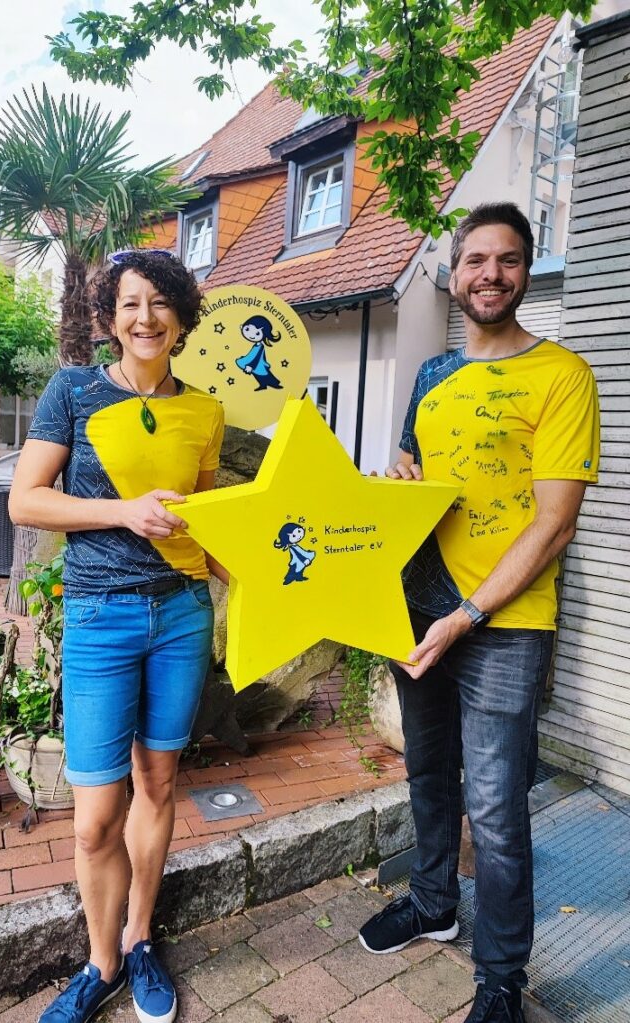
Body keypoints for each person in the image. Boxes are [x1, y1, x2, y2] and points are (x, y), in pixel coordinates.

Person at [357, 204, 599, 1023]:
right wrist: (393, 490)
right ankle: (433, 903)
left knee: (495, 810)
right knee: (427, 775)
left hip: (502, 622)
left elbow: (553, 521)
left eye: (506, 259)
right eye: (474, 261)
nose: (488, 274)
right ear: (452, 274)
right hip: (416, 611)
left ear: (526, 270)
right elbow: (415, 489)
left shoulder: (563, 374)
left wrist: (467, 612)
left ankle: (499, 976)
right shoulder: (430, 377)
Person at [9, 249, 226, 1023]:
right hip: (100, 618)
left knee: (160, 785)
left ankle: (138, 940)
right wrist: (122, 511)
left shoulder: (203, 410)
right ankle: (98, 962)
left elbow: (201, 518)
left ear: (180, 317)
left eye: (160, 303)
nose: (145, 318)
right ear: (110, 317)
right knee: (96, 813)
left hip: (181, 614)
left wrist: (272, 574)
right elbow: (26, 502)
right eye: (131, 304)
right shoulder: (73, 390)